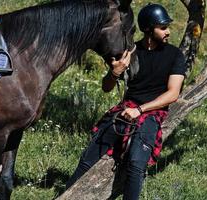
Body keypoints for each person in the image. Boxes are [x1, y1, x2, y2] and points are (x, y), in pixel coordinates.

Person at [66, 3, 186, 200]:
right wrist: (114, 73)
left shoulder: (174, 55)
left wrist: (140, 110)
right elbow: (106, 87)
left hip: (150, 113)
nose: (168, 31)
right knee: (88, 158)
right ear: (148, 29)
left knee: (136, 164)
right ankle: (66, 196)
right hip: (125, 110)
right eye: (163, 27)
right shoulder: (130, 52)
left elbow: (173, 94)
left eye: (167, 27)